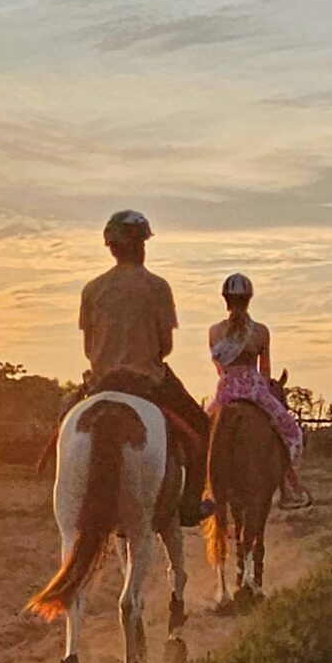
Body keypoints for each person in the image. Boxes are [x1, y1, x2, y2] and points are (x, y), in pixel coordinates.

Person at [79, 210, 212, 524]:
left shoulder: (92, 289)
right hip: (147, 381)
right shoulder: (158, 287)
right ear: (141, 245)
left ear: (111, 247)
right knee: (200, 428)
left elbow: (88, 349)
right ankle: (190, 506)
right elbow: (166, 346)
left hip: (102, 382)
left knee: (65, 420)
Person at [209, 273, 310, 507]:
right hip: (255, 389)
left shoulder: (214, 332)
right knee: (288, 431)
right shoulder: (261, 331)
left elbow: (219, 369)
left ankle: (199, 489)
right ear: (249, 299)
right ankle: (289, 488)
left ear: (225, 299)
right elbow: (265, 370)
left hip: (225, 390)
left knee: (202, 435)